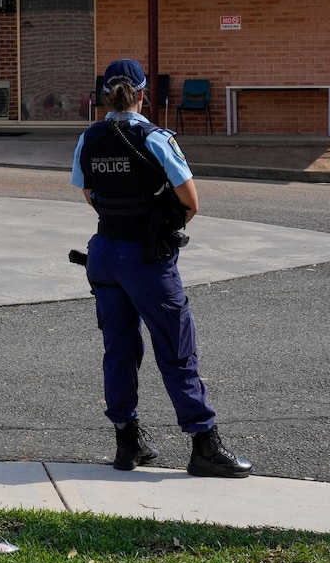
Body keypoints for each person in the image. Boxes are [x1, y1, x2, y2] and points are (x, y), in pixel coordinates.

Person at [72, 58, 253, 478]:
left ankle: (126, 442)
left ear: (105, 93)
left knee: (118, 349)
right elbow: (191, 203)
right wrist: (161, 229)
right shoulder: (156, 138)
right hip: (146, 260)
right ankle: (203, 445)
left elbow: (88, 192)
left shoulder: (89, 137)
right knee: (176, 349)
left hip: (104, 254)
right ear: (142, 93)